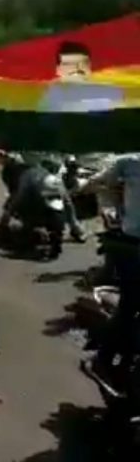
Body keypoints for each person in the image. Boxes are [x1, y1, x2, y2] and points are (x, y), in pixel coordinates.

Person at [77, 154, 140, 389]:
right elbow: (98, 182)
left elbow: (98, 183)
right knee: (131, 304)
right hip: (134, 246)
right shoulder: (131, 162)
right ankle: (102, 359)